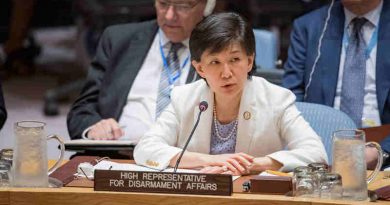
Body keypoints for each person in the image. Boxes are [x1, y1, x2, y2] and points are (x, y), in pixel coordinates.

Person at [134, 12, 327, 175]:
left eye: (235, 59)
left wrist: (256, 164)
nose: (226, 73)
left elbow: (316, 153)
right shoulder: (184, 98)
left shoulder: (276, 99)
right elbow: (145, 149)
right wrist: (211, 161)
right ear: (200, 69)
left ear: (249, 61)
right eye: (215, 62)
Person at [67, 0, 216, 144]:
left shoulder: (220, 50)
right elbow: (82, 109)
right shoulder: (118, 39)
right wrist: (94, 127)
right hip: (117, 155)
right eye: (163, 4)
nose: (170, 15)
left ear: (206, 5)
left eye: (182, 6)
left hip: (184, 159)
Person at [282, 0, 390, 169]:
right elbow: (291, 101)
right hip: (323, 154)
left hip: (384, 152)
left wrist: (382, 151)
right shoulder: (309, 27)